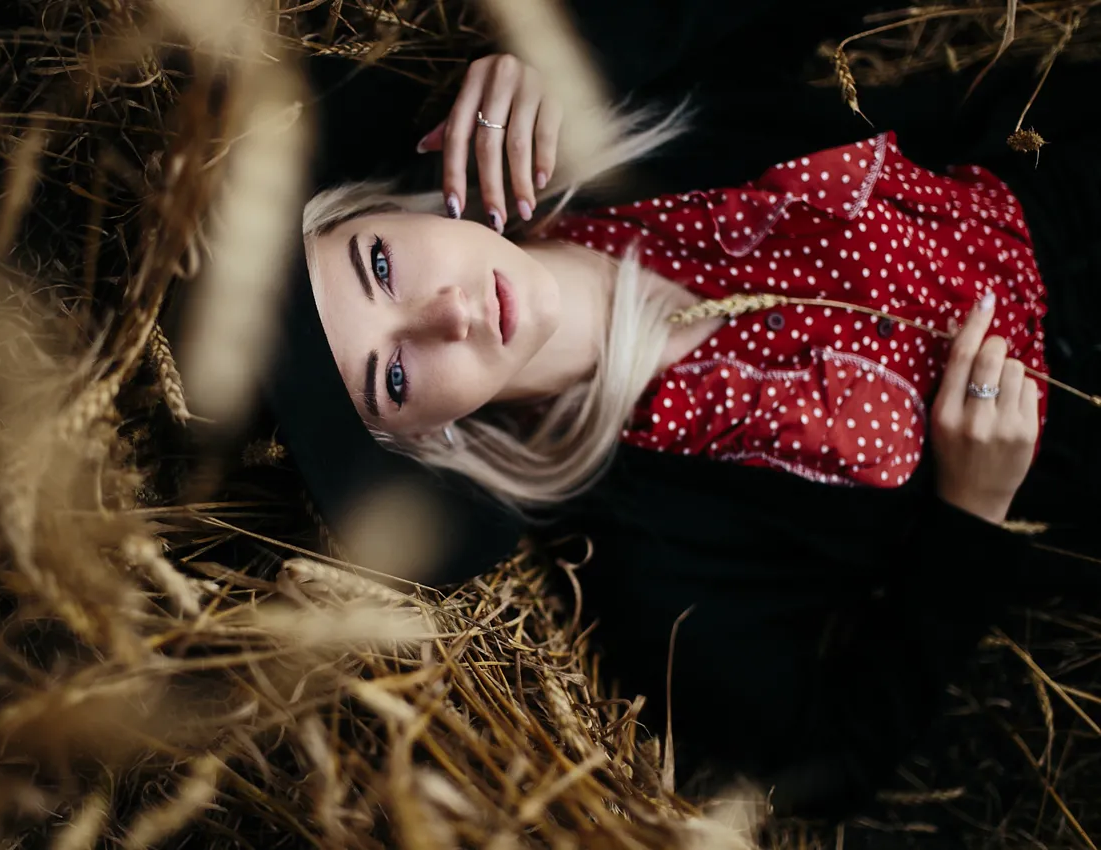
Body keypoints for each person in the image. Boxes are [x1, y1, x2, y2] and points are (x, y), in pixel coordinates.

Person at [175, 8, 1101, 818]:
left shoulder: (619, 126)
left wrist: (572, 49)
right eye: (396, 377)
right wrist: (971, 519)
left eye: (379, 265)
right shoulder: (650, 564)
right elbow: (828, 762)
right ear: (422, 434)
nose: (449, 314)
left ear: (385, 205)